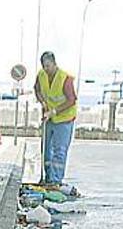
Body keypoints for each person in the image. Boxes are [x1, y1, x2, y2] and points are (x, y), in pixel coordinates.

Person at [34, 51, 77, 187]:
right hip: (49, 119)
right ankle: (48, 178)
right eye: (44, 66)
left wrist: (54, 111)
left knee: (59, 150)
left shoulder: (65, 78)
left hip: (64, 119)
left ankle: (56, 180)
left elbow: (71, 100)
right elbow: (37, 89)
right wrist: (43, 103)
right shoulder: (41, 75)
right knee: (46, 149)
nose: (46, 69)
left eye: (48, 66)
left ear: (54, 63)